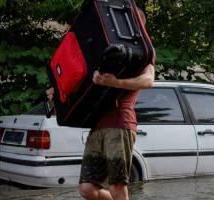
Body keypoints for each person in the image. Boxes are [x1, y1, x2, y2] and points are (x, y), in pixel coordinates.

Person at [46, 8, 154, 200]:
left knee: (117, 187)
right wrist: (59, 93)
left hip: (119, 125)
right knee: (87, 188)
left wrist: (116, 83)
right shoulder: (103, 46)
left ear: (137, 26)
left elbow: (148, 81)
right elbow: (83, 85)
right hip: (97, 127)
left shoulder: (143, 52)